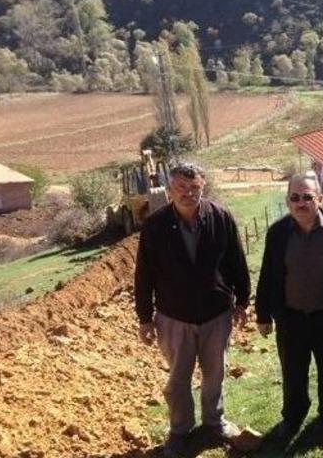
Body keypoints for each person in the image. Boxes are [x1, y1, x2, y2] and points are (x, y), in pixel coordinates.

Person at [134, 163, 250, 457]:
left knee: (215, 374)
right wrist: (145, 318)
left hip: (216, 314)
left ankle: (214, 422)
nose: (188, 193)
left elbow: (237, 260)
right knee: (178, 380)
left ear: (203, 186)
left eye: (194, 187)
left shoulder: (220, 217)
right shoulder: (155, 226)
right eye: (181, 188)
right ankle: (180, 430)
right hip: (174, 317)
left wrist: (242, 301)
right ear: (170, 190)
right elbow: (144, 274)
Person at [255, 172, 323, 444]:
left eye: (307, 197)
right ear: (287, 201)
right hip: (291, 317)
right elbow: (268, 275)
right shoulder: (277, 232)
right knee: (293, 371)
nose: (301, 203)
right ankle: (293, 416)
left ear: (320, 199)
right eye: (295, 197)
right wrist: (263, 315)